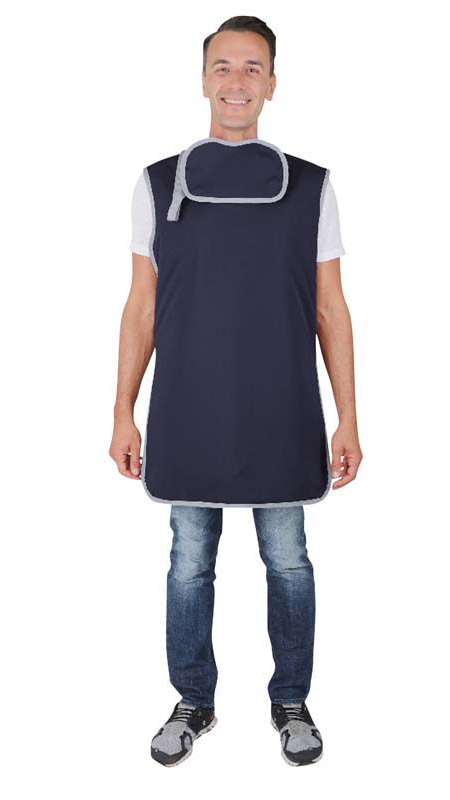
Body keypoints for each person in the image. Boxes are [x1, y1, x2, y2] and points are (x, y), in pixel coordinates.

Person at [109, 15, 362, 768]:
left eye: (252, 68)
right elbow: (141, 308)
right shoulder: (157, 183)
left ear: (272, 84)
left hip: (281, 409)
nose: (236, 81)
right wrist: (121, 409)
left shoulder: (312, 186)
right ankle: (194, 700)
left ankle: (291, 701)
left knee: (288, 560)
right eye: (222, 66)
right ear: (202, 80)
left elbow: (330, 308)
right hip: (188, 409)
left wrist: (348, 416)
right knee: (189, 560)